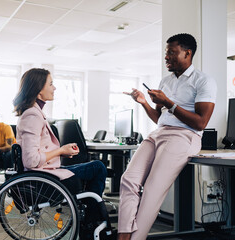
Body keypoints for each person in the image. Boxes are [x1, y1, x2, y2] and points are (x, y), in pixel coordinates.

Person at [118, 33, 217, 240]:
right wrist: (144, 102)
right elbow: (159, 117)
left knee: (152, 191)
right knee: (129, 180)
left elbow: (201, 122)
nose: (166, 58)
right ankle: (124, 236)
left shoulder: (203, 80)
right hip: (158, 134)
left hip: (184, 136)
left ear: (187, 53)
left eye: (172, 53)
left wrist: (169, 103)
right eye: (166, 53)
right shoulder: (165, 81)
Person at [13, 68, 107, 197]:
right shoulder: (32, 115)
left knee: (96, 166)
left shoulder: (33, 112)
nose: (54, 88)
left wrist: (62, 153)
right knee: (98, 167)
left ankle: (89, 208)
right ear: (39, 89)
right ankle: (92, 213)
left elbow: (37, 151)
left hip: (44, 171)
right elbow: (31, 160)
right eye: (51, 84)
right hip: (43, 176)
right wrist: (60, 151)